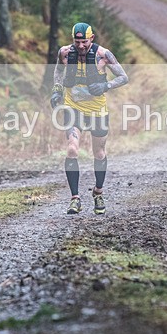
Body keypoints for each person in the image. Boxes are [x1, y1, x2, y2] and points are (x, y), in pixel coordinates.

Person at [51, 22, 129, 215]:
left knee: (99, 153)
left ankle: (98, 192)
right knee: (71, 149)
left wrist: (106, 86)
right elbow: (58, 72)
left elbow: (123, 77)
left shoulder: (104, 55)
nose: (81, 46)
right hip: (72, 107)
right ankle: (75, 199)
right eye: (77, 41)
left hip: (97, 111)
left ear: (91, 38)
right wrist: (56, 91)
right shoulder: (64, 53)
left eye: (84, 41)